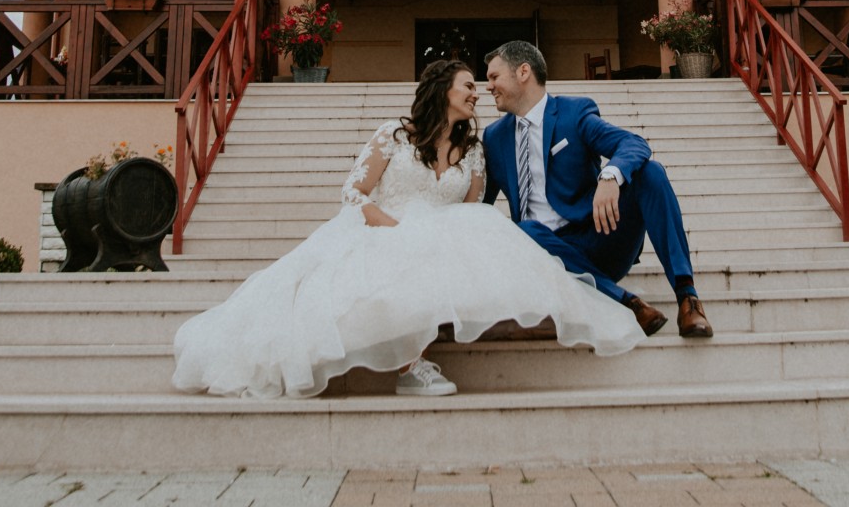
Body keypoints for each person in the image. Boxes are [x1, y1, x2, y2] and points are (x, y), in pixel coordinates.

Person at [171, 58, 642, 399]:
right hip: (383, 227)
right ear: (442, 90)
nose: (476, 93)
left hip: (442, 236)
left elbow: (473, 208)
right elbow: (354, 193)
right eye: (467, 85)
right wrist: (395, 228)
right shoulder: (393, 136)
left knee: (479, 239)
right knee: (393, 261)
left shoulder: (474, 151)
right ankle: (410, 366)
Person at [480, 40, 713, 339]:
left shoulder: (573, 113)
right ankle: (627, 304)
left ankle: (688, 298)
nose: (489, 86)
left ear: (523, 72)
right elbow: (480, 206)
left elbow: (633, 144)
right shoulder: (494, 137)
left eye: (494, 77)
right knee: (524, 230)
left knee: (651, 173)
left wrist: (610, 177)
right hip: (544, 254)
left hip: (599, 238)